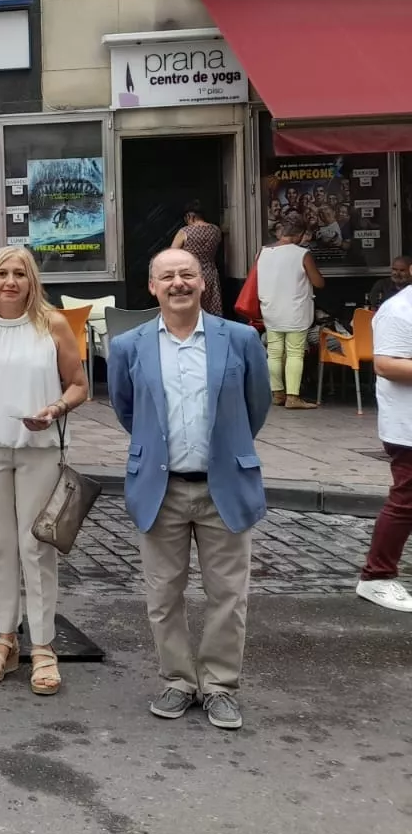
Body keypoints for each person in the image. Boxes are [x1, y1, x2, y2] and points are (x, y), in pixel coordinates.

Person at [108, 248, 270, 731]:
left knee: (228, 595)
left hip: (225, 485)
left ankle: (220, 685)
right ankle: (179, 680)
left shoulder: (240, 339)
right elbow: (127, 410)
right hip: (162, 487)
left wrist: (228, 447)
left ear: (203, 283)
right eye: (168, 276)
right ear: (152, 287)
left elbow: (255, 405)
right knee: (163, 595)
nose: (179, 283)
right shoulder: (129, 346)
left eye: (188, 274)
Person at [0, 245, 87, 696]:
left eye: (19, 274)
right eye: (1, 273)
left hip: (37, 447)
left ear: (32, 281)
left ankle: (43, 645)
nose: (10, 281)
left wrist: (55, 408)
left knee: (36, 546)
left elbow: (79, 384)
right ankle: (6, 637)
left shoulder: (52, 325)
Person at [357, 284, 412, 612]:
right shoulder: (399, 310)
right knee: (406, 502)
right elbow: (386, 365)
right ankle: (376, 577)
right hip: (408, 428)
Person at [256, 220, 324, 410]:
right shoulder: (302, 254)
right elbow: (318, 282)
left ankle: (277, 393)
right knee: (295, 352)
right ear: (299, 234)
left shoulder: (262, 252)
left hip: (270, 309)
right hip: (295, 311)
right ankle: (293, 397)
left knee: (274, 352)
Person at [171, 202, 224, 316]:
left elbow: (172, 254)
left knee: (192, 309)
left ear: (191, 216)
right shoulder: (216, 230)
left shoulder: (185, 232)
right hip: (211, 274)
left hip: (190, 275)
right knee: (211, 309)